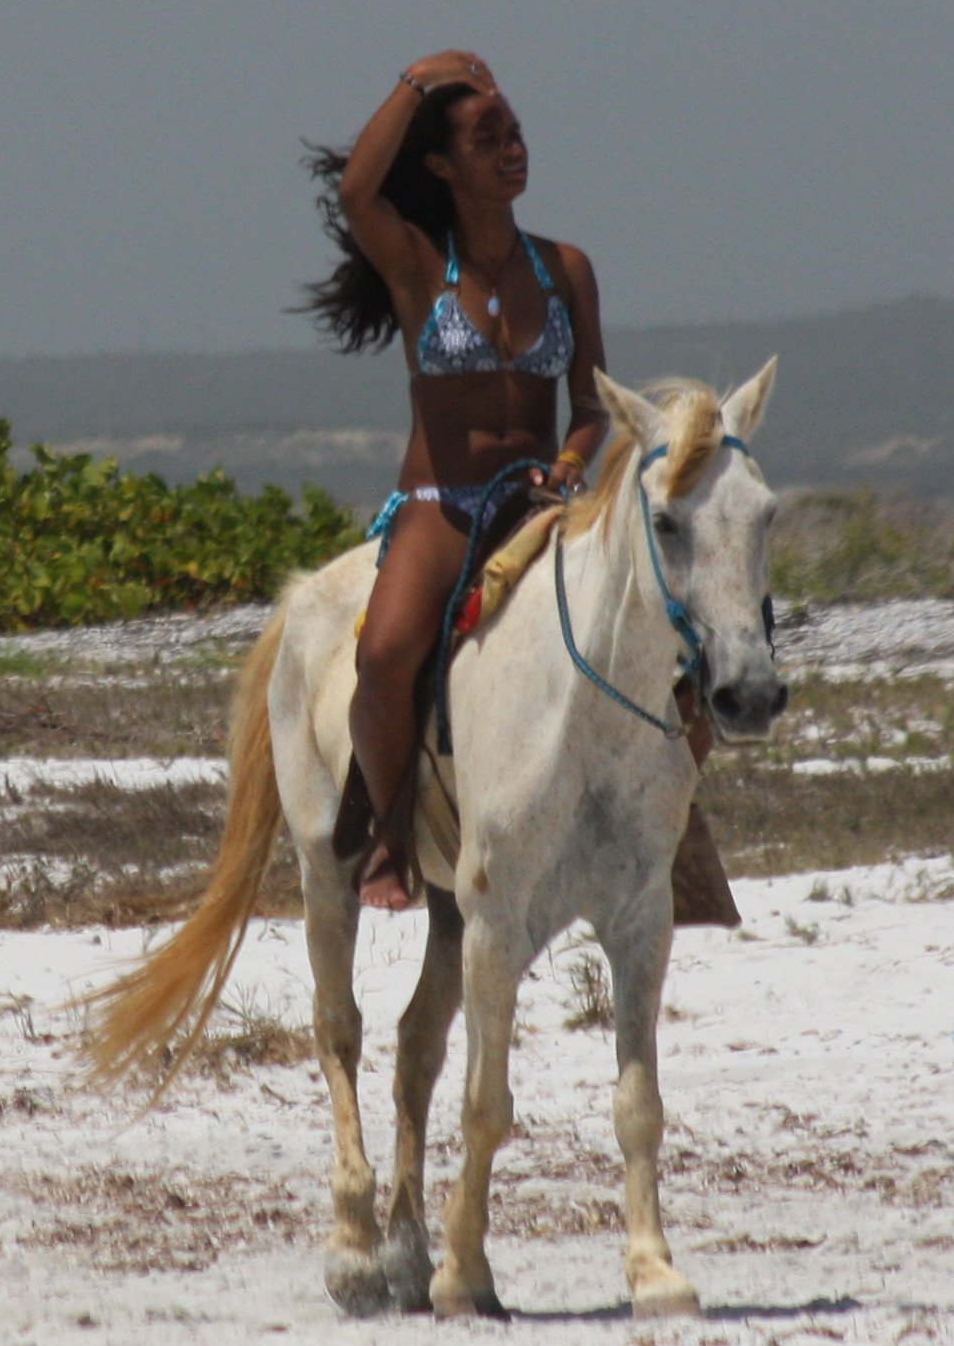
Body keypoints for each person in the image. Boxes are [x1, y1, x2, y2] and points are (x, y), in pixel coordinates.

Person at [304, 53, 737, 922]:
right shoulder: (420, 265)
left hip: (539, 503)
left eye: (517, 134)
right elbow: (357, 195)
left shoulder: (564, 268)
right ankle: (390, 823)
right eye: (487, 139)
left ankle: (664, 830)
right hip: (442, 509)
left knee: (678, 651)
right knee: (385, 656)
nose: (513, 151)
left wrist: (573, 463)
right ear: (440, 163)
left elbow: (590, 404)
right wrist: (416, 83)